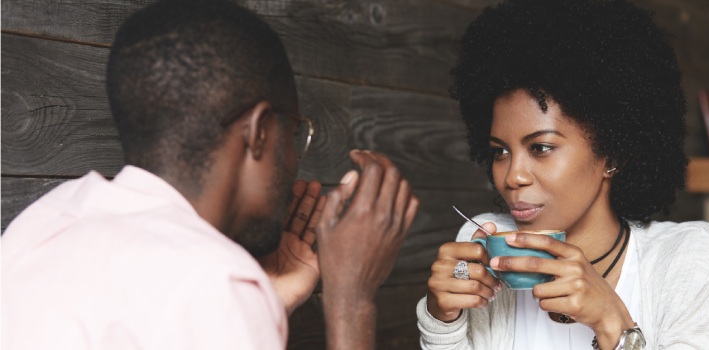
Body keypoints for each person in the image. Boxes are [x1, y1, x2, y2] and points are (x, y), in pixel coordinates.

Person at [1, 0, 419, 349]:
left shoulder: (42, 223)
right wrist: (352, 300)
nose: (295, 158)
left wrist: (269, 302)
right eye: (293, 132)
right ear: (258, 133)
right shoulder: (215, 283)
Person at [416, 0, 709, 349]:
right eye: (500, 152)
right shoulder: (482, 247)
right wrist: (442, 319)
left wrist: (613, 324)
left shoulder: (690, 255)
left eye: (540, 148)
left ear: (612, 153)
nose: (512, 176)